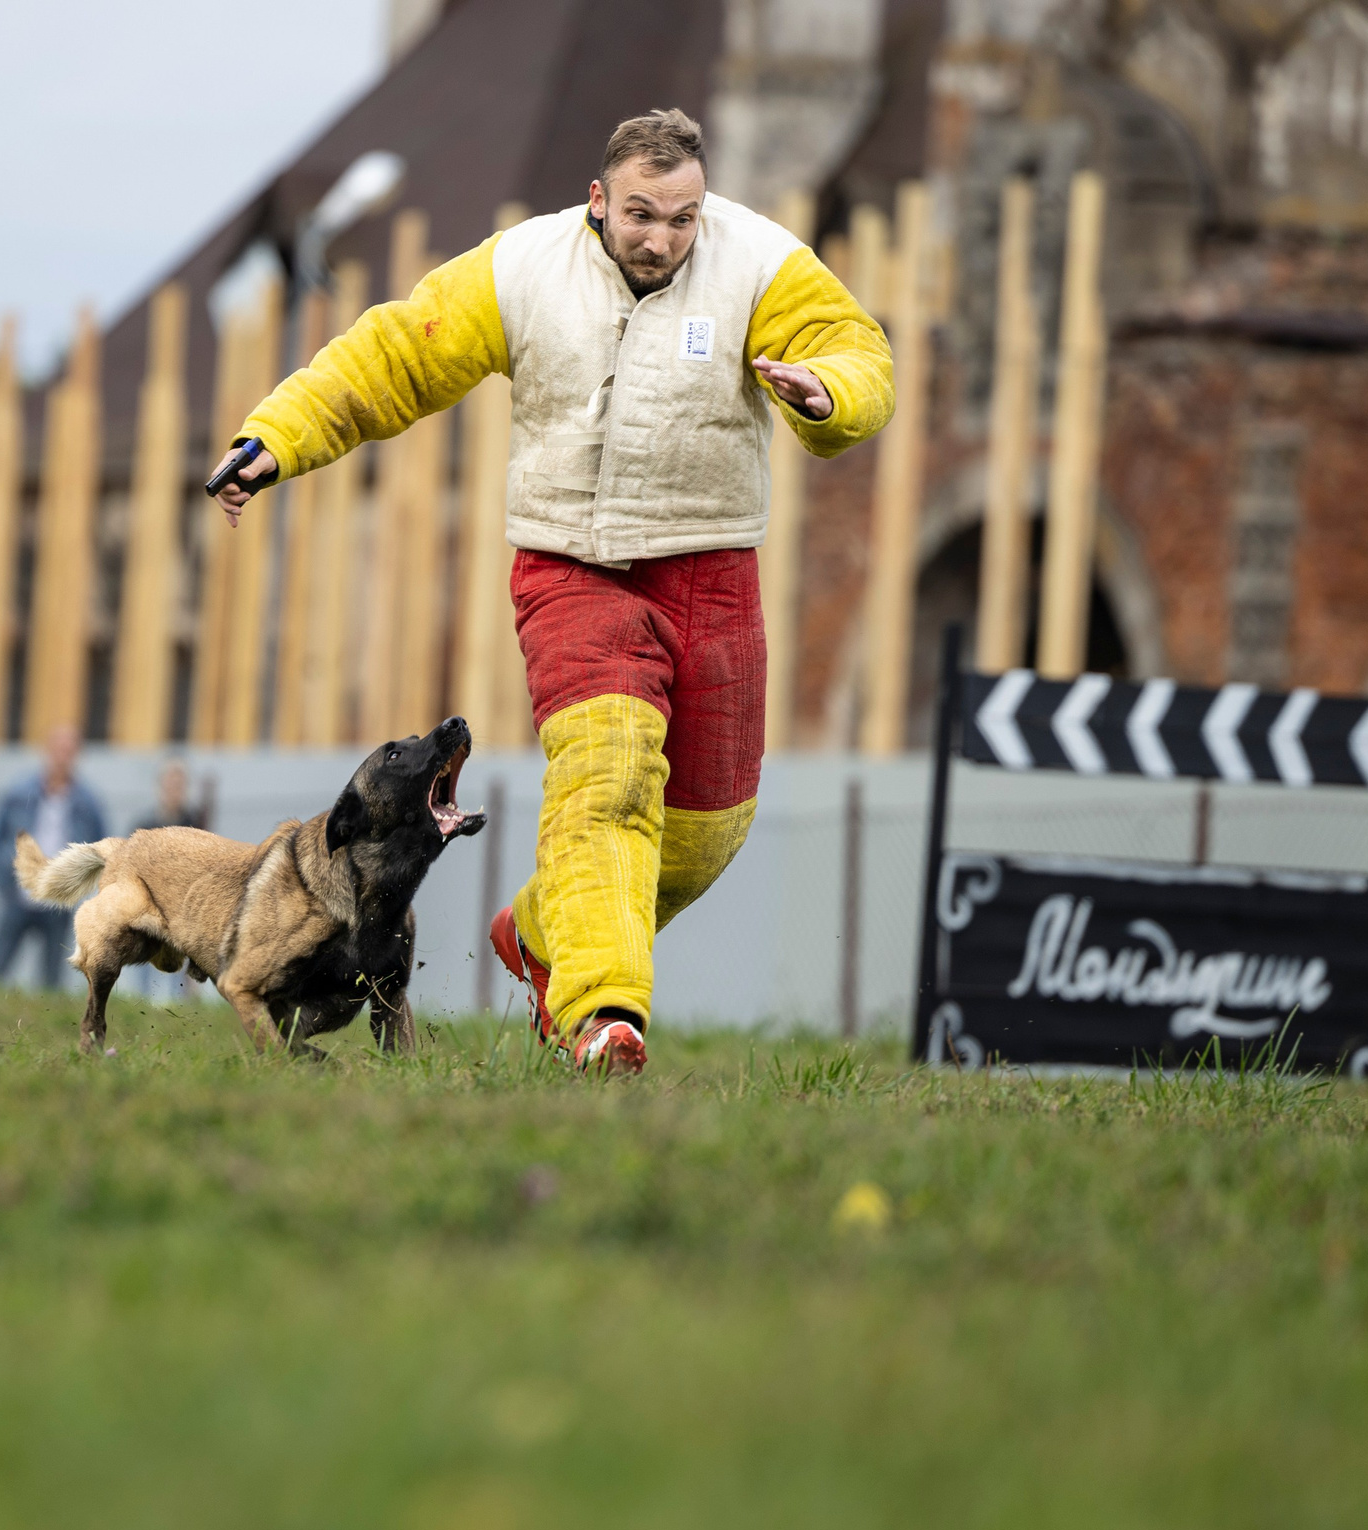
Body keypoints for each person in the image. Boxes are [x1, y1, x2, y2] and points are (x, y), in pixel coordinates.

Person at [207, 108, 892, 1073]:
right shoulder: (523, 268)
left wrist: (831, 394)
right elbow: (396, 355)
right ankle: (601, 1018)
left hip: (713, 573)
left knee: (707, 831)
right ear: (598, 200)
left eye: (684, 218)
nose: (663, 238)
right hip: (572, 569)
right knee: (607, 782)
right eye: (642, 214)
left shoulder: (760, 262)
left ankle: (537, 931)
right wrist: (277, 436)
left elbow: (854, 347)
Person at [0, 725, 105, 989]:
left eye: (69, 751)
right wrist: (3, 884)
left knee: (50, 981)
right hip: (18, 893)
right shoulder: (19, 793)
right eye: (59, 750)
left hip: (57, 900)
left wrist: (78, 889)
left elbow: (101, 852)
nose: (63, 757)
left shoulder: (88, 803)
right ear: (47, 751)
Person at [128, 757, 212, 1002]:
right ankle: (140, 1004)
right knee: (144, 962)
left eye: (179, 784)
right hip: (148, 907)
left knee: (179, 972)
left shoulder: (195, 825)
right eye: (170, 783)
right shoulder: (144, 825)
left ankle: (179, 1008)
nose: (174, 789)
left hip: (182, 911)